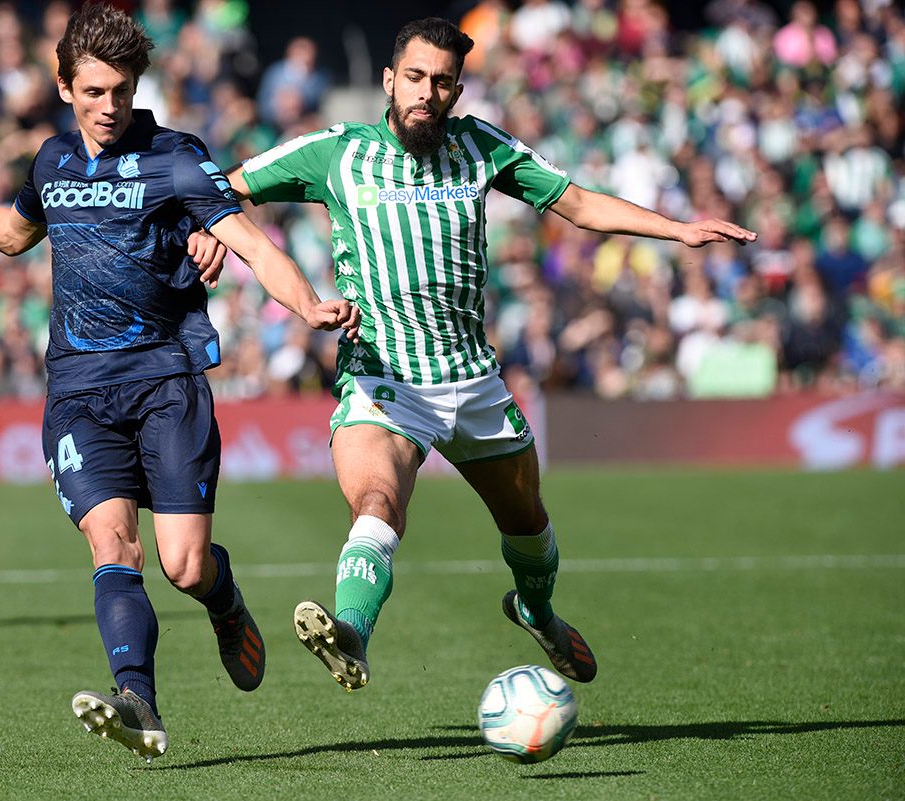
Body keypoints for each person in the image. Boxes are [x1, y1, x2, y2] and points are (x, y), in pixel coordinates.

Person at [0, 5, 357, 761]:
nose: (108, 107)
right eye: (93, 90)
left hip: (167, 381)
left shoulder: (174, 158)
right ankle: (137, 699)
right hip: (77, 391)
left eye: (121, 91)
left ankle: (223, 601)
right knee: (112, 543)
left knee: (185, 564)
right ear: (64, 84)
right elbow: (8, 234)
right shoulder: (50, 162)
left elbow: (250, 244)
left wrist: (307, 304)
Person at [225, 17, 757, 691]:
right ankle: (351, 632)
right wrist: (218, 238)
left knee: (527, 521)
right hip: (383, 380)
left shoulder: (480, 147)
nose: (427, 92)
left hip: (472, 380)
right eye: (414, 77)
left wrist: (677, 230)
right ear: (390, 81)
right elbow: (221, 188)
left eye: (441, 81)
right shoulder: (337, 153)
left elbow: (580, 204)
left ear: (457, 90)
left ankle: (536, 610)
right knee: (379, 502)